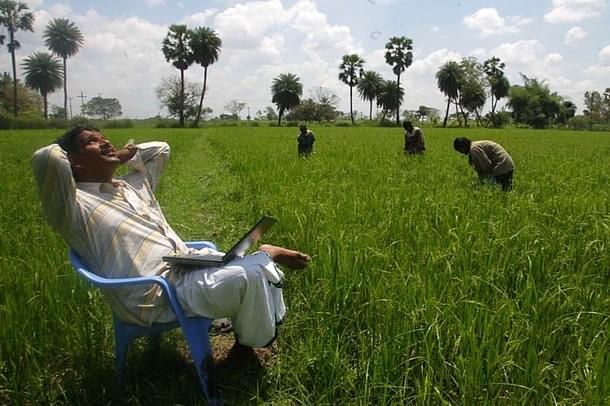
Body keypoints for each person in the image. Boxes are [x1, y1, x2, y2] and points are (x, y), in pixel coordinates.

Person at [32, 125, 311, 350]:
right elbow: (46, 158)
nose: (106, 142)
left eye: (106, 138)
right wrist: (81, 158)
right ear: (74, 162)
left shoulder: (131, 186)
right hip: (154, 294)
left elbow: (161, 149)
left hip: (184, 267)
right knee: (251, 274)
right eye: (92, 141)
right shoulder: (75, 207)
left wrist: (122, 153)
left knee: (241, 263)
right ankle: (249, 340)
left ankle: (259, 272)